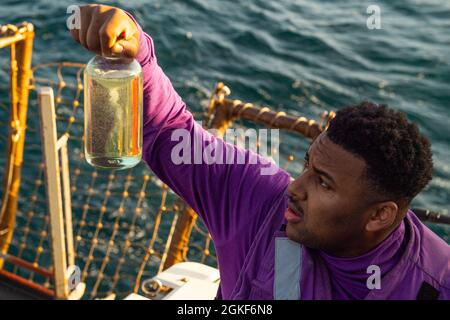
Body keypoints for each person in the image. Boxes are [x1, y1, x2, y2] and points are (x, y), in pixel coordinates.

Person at [70, 4, 450, 300]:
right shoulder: (261, 201)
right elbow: (172, 133)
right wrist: (136, 48)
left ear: (380, 215)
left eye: (324, 183)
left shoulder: (437, 283)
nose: (295, 187)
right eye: (307, 166)